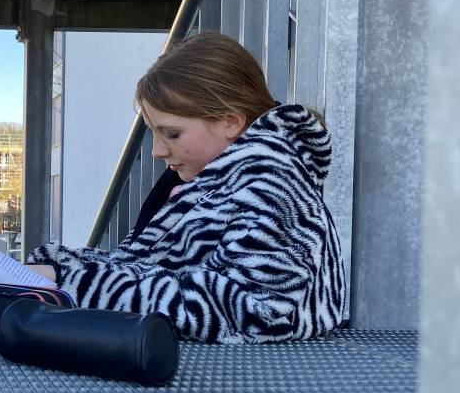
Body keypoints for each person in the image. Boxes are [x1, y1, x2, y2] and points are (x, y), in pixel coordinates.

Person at [23, 31, 347, 343]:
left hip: (256, 377)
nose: (157, 151)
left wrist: (71, 283)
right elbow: (151, 267)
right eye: (154, 133)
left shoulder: (273, 186)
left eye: (172, 134)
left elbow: (255, 310)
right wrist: (59, 267)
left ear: (231, 122)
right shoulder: (212, 182)